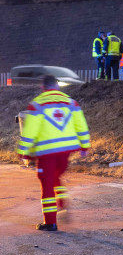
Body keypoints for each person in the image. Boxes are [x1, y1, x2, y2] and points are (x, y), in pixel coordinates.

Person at [17, 75, 90, 231]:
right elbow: (81, 126)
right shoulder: (72, 103)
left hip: (47, 152)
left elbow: (30, 133)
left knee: (47, 185)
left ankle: (50, 222)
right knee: (55, 177)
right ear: (57, 86)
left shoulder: (37, 105)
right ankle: (62, 203)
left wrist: (24, 152)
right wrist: (85, 147)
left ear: (43, 88)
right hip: (66, 151)